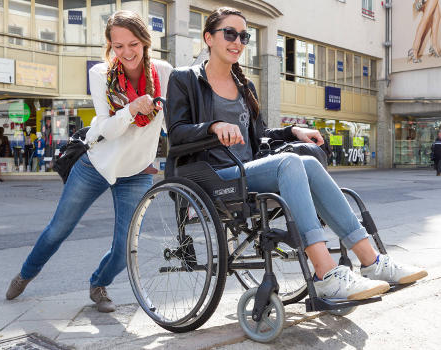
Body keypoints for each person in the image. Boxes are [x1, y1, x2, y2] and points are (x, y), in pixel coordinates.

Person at [166, 7, 427, 302]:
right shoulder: (184, 79)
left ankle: (372, 261)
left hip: (245, 172)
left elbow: (260, 135)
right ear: (208, 38)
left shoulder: (244, 87)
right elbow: (176, 132)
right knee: (289, 163)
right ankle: (325, 272)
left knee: (307, 163)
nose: (237, 41)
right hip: (209, 176)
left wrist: (293, 132)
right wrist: (213, 126)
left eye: (243, 36)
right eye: (229, 33)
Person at [5, 10, 173, 313]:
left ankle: (98, 284)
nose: (126, 53)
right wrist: (132, 109)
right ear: (110, 46)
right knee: (59, 229)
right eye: (118, 46)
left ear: (145, 42)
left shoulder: (163, 72)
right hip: (95, 163)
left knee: (125, 248)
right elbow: (108, 128)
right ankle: (26, 274)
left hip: (136, 172)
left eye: (133, 44)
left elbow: (171, 121)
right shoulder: (101, 74)